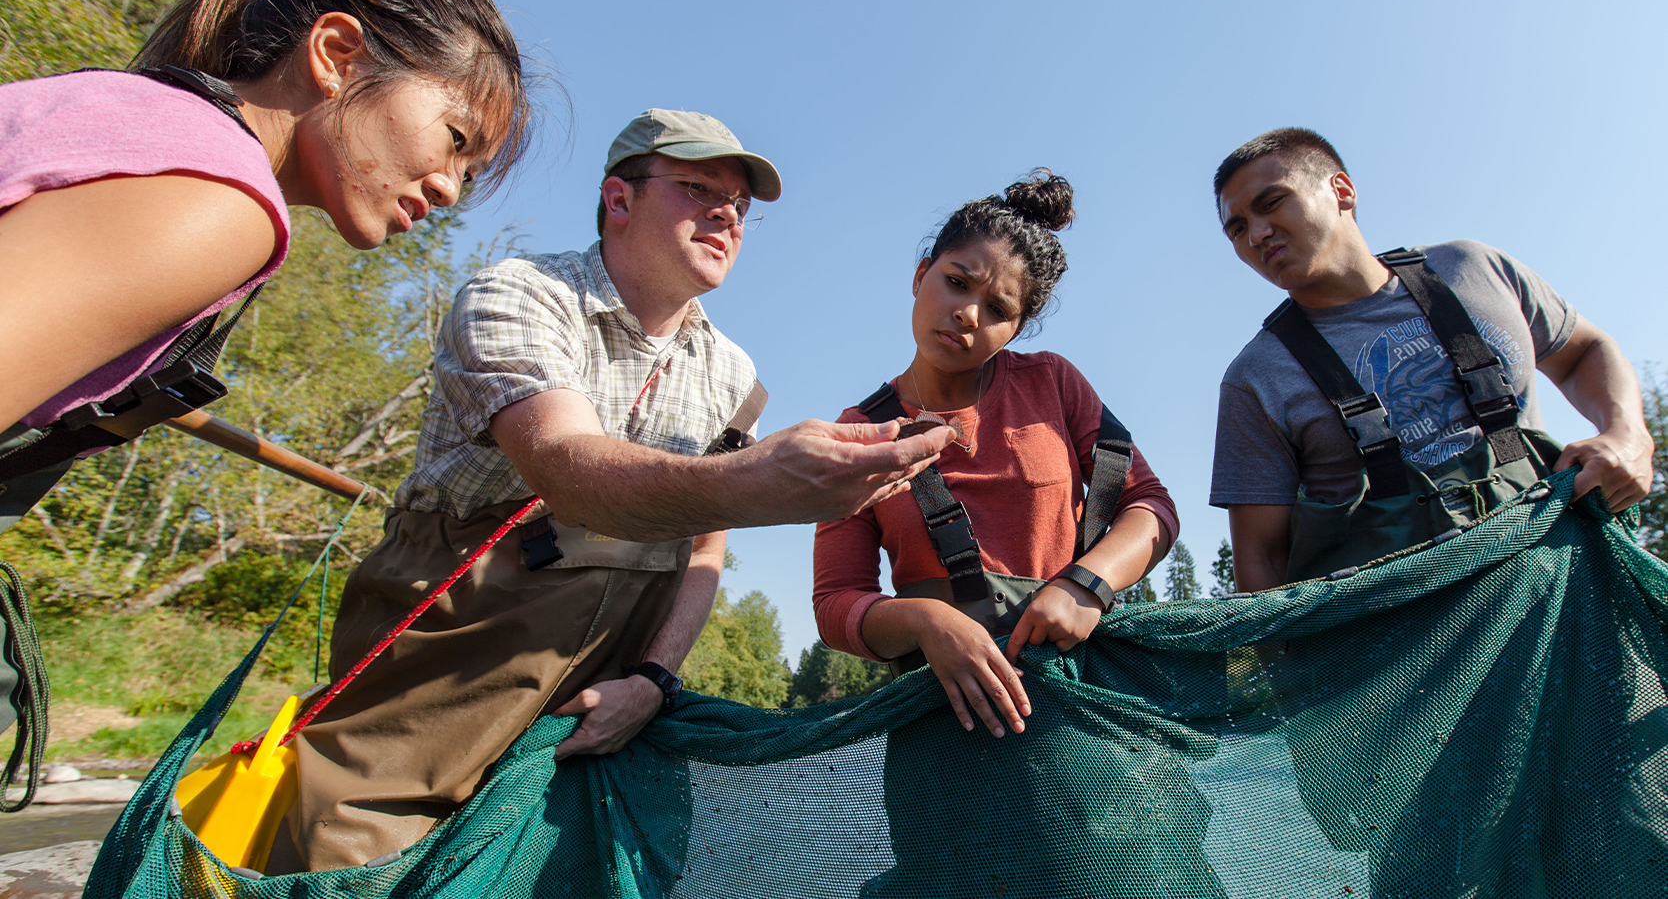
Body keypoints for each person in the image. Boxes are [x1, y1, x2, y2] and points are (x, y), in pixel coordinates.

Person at [274, 109, 954, 872]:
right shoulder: (518, 295)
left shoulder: (734, 375)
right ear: (618, 199)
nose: (726, 215)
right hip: (445, 657)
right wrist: (765, 485)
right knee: (347, 865)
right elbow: (568, 472)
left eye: (739, 206)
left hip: (615, 688)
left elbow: (704, 543)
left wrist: (655, 681)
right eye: (699, 188)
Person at [0, 0, 530, 738]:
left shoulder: (147, 119)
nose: (450, 188)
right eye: (455, 140)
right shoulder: (221, 198)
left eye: (470, 172)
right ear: (336, 54)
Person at [812, 173, 1193, 898]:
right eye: (956, 283)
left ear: (1018, 328)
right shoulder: (857, 433)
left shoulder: (1054, 383)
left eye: (998, 309)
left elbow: (1151, 506)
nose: (967, 314)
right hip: (944, 732)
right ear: (921, 274)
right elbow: (836, 606)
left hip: (1087, 716)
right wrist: (926, 622)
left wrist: (1087, 583)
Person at [1210, 127, 1653, 590]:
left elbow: (1583, 351)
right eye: (1237, 228)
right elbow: (1261, 559)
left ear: (1341, 191)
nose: (1257, 234)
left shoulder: (1475, 269)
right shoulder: (1254, 378)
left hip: (1569, 595)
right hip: (1406, 649)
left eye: (1271, 202)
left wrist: (1628, 435)